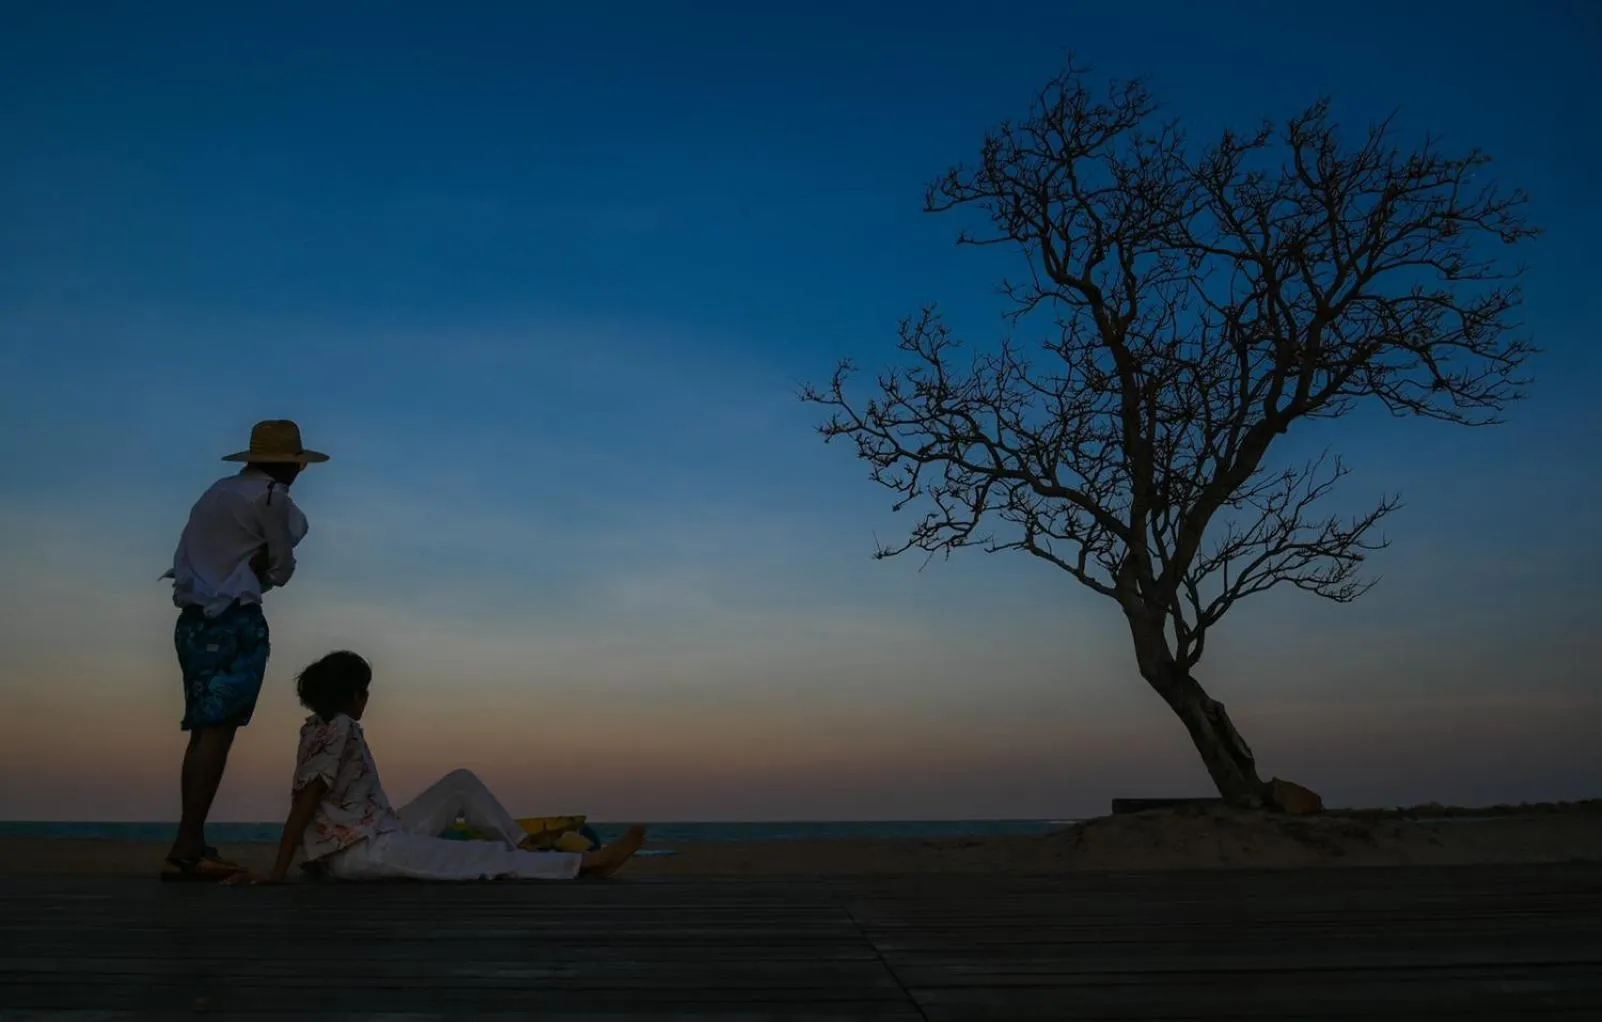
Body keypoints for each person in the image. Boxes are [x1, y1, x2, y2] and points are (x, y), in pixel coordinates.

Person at [227, 650, 646, 884]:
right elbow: (306, 800)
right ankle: (583, 865)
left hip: (380, 833)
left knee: (460, 783)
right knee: (475, 859)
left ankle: (524, 845)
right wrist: (278, 873)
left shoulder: (318, 728)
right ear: (356, 695)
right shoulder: (339, 730)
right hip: (365, 852)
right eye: (365, 691)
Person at [159, 419, 327, 882]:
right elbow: (283, 569)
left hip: (193, 621)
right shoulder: (273, 499)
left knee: (203, 730)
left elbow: (187, 559)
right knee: (217, 732)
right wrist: (261, 570)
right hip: (233, 619)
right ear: (289, 465)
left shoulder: (216, 492)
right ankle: (187, 848)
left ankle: (189, 841)